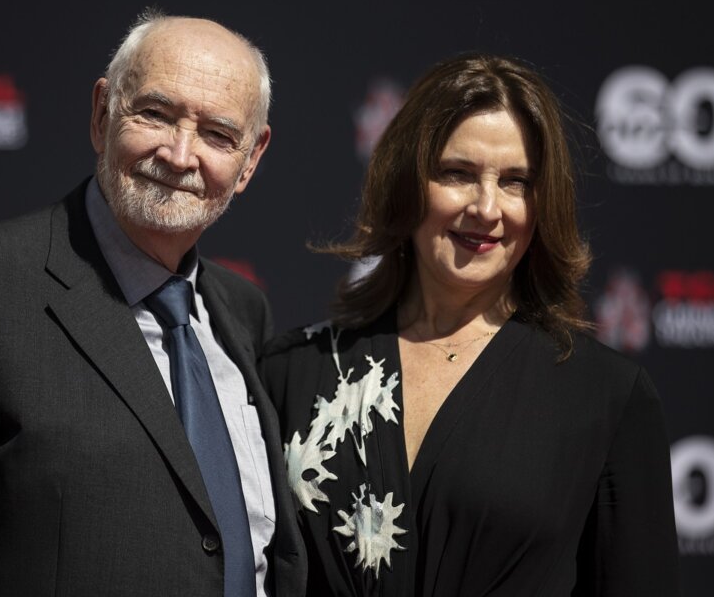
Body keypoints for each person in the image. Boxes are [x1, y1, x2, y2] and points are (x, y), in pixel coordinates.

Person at [0, 11, 306, 597]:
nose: (180, 153)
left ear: (250, 160)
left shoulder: (244, 312)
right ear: (102, 114)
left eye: (218, 135)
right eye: (156, 113)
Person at [261, 53, 680, 596]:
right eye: (457, 174)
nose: (486, 208)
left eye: (516, 182)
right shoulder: (293, 372)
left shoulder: (605, 397)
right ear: (407, 181)